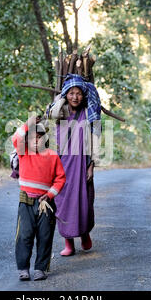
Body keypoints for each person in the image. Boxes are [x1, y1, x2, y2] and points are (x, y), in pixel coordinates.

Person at [52, 74, 101, 256]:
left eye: (78, 93)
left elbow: (95, 139)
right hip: (61, 164)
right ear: (66, 95)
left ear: (84, 95)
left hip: (82, 164)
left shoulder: (89, 112)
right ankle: (68, 242)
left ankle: (85, 232)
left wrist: (91, 165)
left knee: (84, 201)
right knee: (62, 202)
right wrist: (59, 98)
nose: (75, 97)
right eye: (71, 93)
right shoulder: (60, 111)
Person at [12, 116, 66, 281]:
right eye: (32, 138)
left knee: (45, 236)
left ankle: (41, 268)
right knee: (24, 235)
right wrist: (28, 124)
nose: (36, 141)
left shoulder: (52, 156)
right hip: (26, 201)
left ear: (45, 139)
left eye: (39, 137)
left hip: (46, 203)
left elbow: (60, 178)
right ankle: (23, 268)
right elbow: (16, 138)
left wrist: (50, 194)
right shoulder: (24, 153)